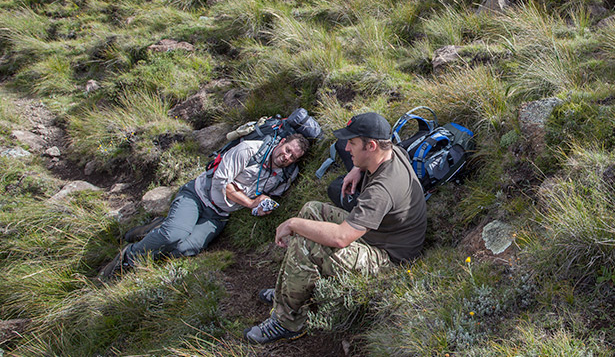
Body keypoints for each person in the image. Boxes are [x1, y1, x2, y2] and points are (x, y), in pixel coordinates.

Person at [244, 112, 427, 344]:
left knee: (307, 241)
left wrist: (292, 223)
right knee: (312, 209)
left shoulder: (382, 190)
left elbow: (341, 238)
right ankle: (290, 290)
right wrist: (358, 169)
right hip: (380, 235)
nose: (347, 149)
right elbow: (382, 157)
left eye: (352, 143)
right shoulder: (391, 151)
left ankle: (288, 322)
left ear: (371, 146)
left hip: (387, 259)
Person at [100, 133, 310, 278]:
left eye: (293, 157)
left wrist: (263, 203)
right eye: (287, 149)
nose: (286, 157)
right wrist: (249, 203)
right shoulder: (249, 150)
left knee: (184, 248)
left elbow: (267, 195)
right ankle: (129, 257)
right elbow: (221, 182)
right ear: (281, 142)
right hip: (198, 196)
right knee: (173, 234)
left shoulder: (284, 176)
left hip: (218, 215)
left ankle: (155, 233)